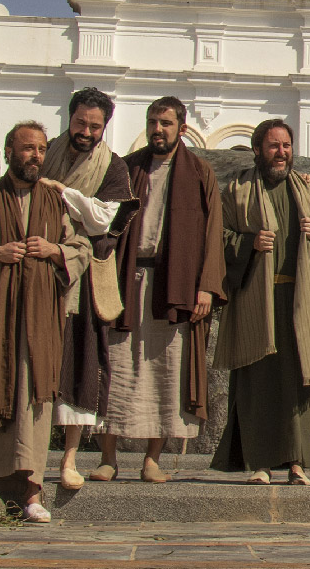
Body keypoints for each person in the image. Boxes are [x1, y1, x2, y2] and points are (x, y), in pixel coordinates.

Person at [0, 88, 133, 491]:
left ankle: (68, 458)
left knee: (77, 361)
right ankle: (15, 458)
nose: (85, 131)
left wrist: (62, 196)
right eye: (80, 122)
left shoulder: (112, 167)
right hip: (22, 284)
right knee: (22, 362)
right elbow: (8, 195)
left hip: (78, 275)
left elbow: (102, 219)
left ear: (104, 127)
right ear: (69, 119)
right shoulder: (44, 150)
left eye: (94, 126)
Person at [0, 121, 88, 522]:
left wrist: (53, 249)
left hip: (37, 320)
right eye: (28, 148)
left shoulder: (55, 201)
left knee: (32, 397)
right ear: (9, 151)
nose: (36, 156)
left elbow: (80, 247)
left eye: (41, 149)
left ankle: (31, 491)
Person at [96, 97, 224, 482]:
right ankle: (108, 458)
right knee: (115, 367)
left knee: (166, 371)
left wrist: (206, 287)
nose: (157, 129)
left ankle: (152, 459)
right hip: (125, 279)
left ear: (181, 128)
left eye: (165, 123)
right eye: (153, 121)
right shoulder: (126, 168)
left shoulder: (199, 172)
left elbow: (213, 232)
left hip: (174, 283)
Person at [212, 119, 310, 484]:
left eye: (286, 146)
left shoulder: (309, 192)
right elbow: (217, 237)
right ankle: (260, 464)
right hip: (257, 300)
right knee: (258, 383)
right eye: (273, 146)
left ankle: (298, 463)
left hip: (299, 300)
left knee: (300, 382)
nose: (281, 153)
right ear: (257, 150)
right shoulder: (237, 191)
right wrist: (247, 243)